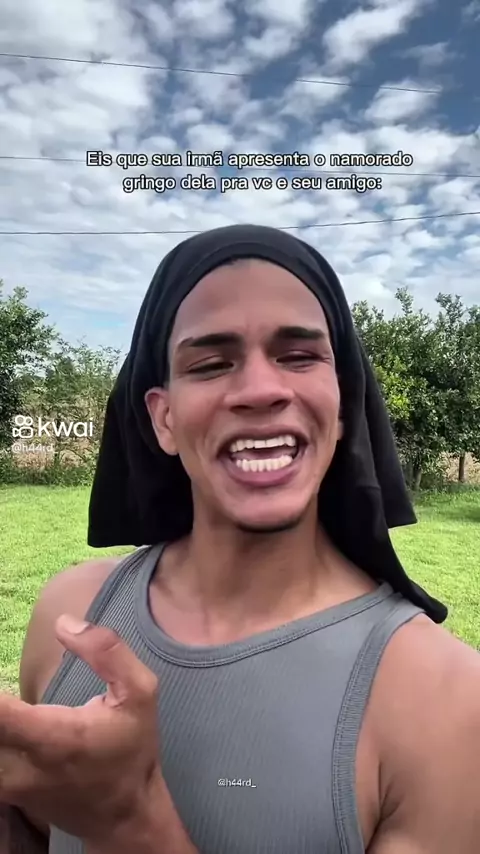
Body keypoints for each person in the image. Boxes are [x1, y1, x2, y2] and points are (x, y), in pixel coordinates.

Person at [1, 224, 479, 854]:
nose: (260, 390)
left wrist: (128, 820)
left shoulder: (447, 700)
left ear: (342, 406)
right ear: (163, 418)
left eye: (299, 356)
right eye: (210, 363)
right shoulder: (70, 619)